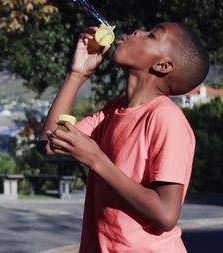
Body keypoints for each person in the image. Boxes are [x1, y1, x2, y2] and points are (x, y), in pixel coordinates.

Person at [38, 22, 209, 252]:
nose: (137, 31)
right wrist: (77, 74)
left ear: (163, 65)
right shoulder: (112, 111)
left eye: (151, 35)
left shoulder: (166, 118)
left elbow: (166, 214)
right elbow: (50, 143)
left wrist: (96, 159)